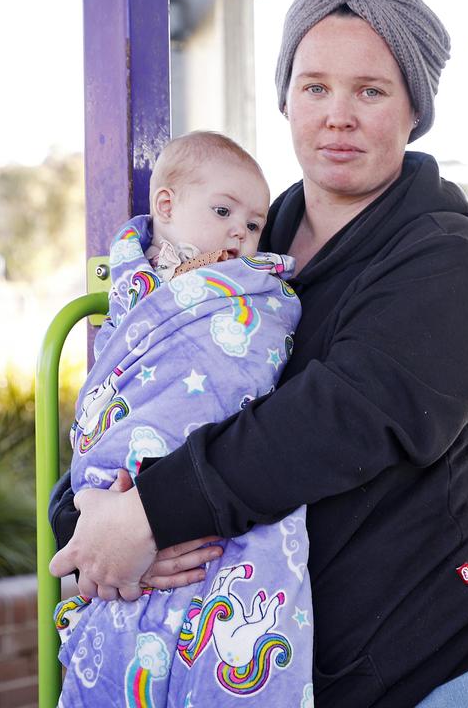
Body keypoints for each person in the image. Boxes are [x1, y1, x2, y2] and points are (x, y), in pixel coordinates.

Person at [50, 0, 468, 708]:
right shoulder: (244, 245)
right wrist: (94, 516)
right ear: (285, 98)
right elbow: (139, 384)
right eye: (314, 86)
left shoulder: (448, 260)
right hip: (304, 667)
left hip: (438, 661)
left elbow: (336, 420)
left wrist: (151, 514)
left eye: (370, 91)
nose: (337, 115)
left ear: (413, 110)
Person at [54, 131, 313, 705]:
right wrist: (92, 497)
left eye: (252, 224)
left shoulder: (254, 291)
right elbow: (115, 383)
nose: (238, 234)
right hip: (124, 476)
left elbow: (248, 361)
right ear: (166, 205)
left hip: (217, 482)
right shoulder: (135, 290)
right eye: (222, 211)